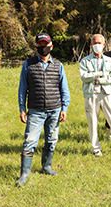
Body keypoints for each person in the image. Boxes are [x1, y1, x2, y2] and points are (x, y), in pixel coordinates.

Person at [16, 33, 71, 186]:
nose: (43, 48)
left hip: (55, 109)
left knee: (52, 140)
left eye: (46, 45)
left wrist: (64, 108)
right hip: (35, 111)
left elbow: (64, 88)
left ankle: (46, 167)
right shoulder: (28, 64)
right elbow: (23, 89)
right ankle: (24, 174)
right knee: (30, 141)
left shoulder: (59, 65)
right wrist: (22, 108)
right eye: (40, 45)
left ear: (51, 46)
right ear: (36, 47)